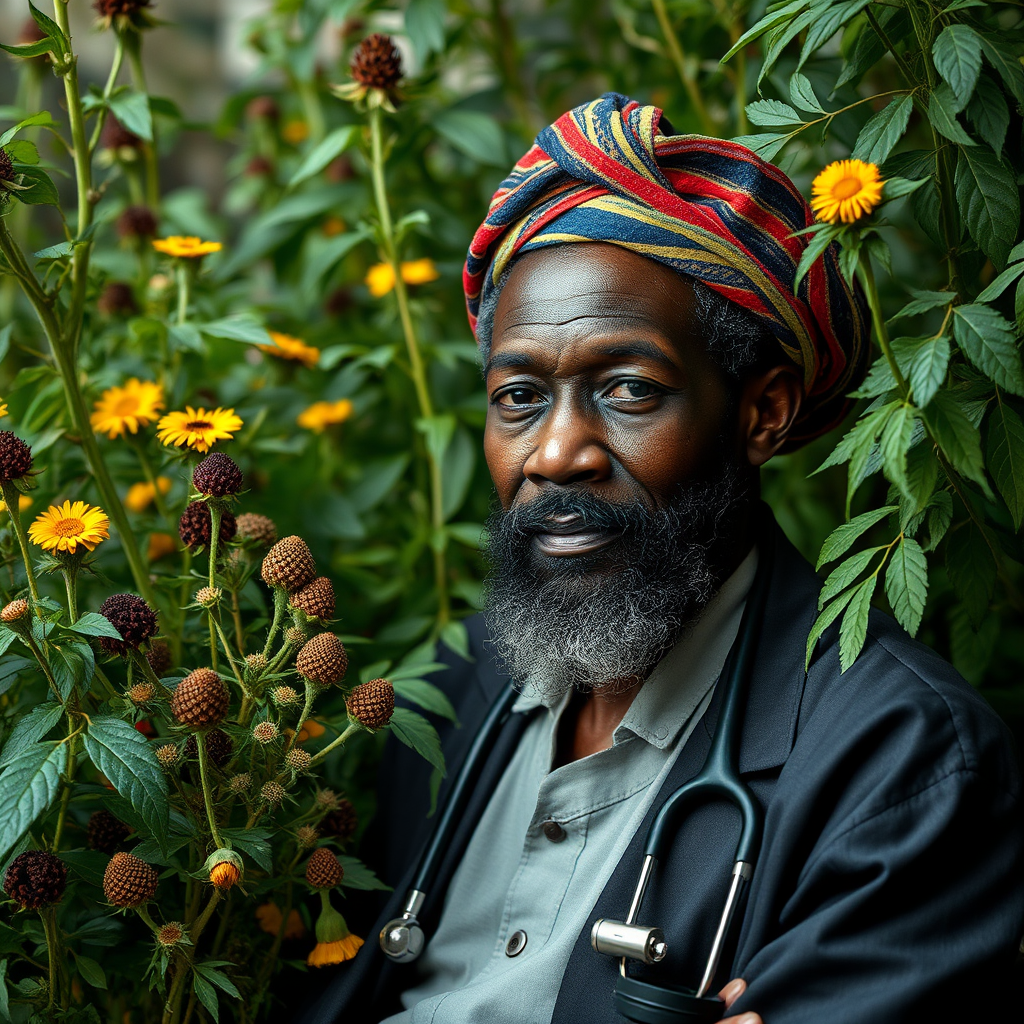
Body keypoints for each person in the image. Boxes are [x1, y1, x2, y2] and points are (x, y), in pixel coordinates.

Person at [296, 94, 1024, 1024]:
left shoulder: (902, 770)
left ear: (761, 414)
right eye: (518, 396)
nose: (556, 452)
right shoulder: (448, 693)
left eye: (629, 390)